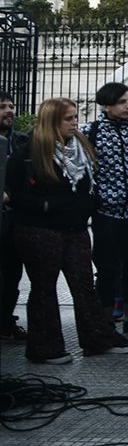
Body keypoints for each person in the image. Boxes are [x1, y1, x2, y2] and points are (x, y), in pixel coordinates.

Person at [7, 98, 128, 363]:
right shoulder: (29, 152)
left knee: (83, 285)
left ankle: (97, 339)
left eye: (75, 117)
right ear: (52, 121)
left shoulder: (80, 147)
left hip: (76, 229)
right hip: (40, 230)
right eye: (68, 119)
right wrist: (47, 205)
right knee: (44, 288)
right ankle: (45, 348)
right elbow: (13, 194)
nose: (74, 123)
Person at [85, 81, 128, 327]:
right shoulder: (91, 131)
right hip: (106, 211)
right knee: (106, 267)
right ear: (107, 105)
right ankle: (104, 318)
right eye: (122, 102)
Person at [1, 90, 31, 341]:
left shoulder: (22, 141)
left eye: (11, 105)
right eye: (2, 106)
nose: (9, 110)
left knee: (12, 273)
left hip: (16, 217)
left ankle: (6, 322)